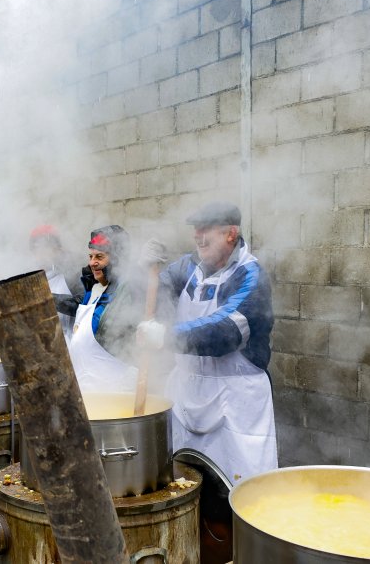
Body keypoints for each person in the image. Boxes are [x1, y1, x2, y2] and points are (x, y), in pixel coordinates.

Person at [141, 201, 277, 484]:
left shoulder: (250, 275)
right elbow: (152, 296)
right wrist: (140, 272)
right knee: (182, 483)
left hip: (235, 402)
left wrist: (166, 336)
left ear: (230, 234)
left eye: (206, 230)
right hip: (187, 395)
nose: (197, 236)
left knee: (240, 490)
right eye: (195, 229)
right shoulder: (188, 268)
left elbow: (226, 331)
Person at [57, 225, 145, 393]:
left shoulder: (129, 290)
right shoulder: (95, 287)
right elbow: (78, 305)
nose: (92, 263)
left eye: (99, 257)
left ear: (117, 259)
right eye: (90, 256)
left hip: (113, 387)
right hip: (85, 387)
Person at [30, 224, 80, 341]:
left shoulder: (71, 275)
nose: (42, 253)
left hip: (69, 345)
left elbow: (82, 306)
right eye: (38, 248)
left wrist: (48, 299)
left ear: (58, 249)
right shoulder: (29, 278)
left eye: (47, 247)